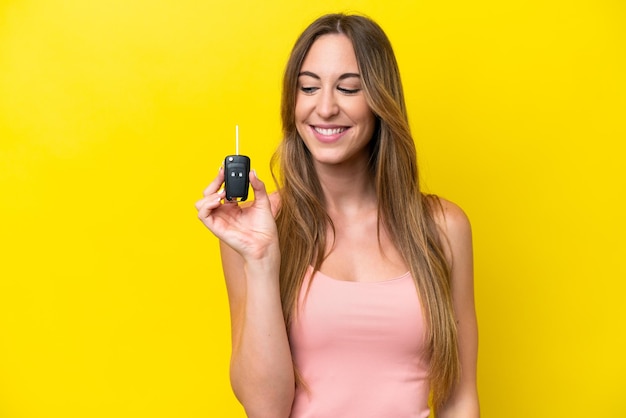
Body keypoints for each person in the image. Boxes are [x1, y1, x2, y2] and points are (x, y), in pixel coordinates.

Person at [196, 13, 479, 418]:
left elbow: (460, 396)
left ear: (381, 101)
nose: (324, 108)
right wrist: (259, 262)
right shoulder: (258, 228)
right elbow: (264, 408)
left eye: (348, 89)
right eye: (308, 88)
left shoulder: (443, 228)